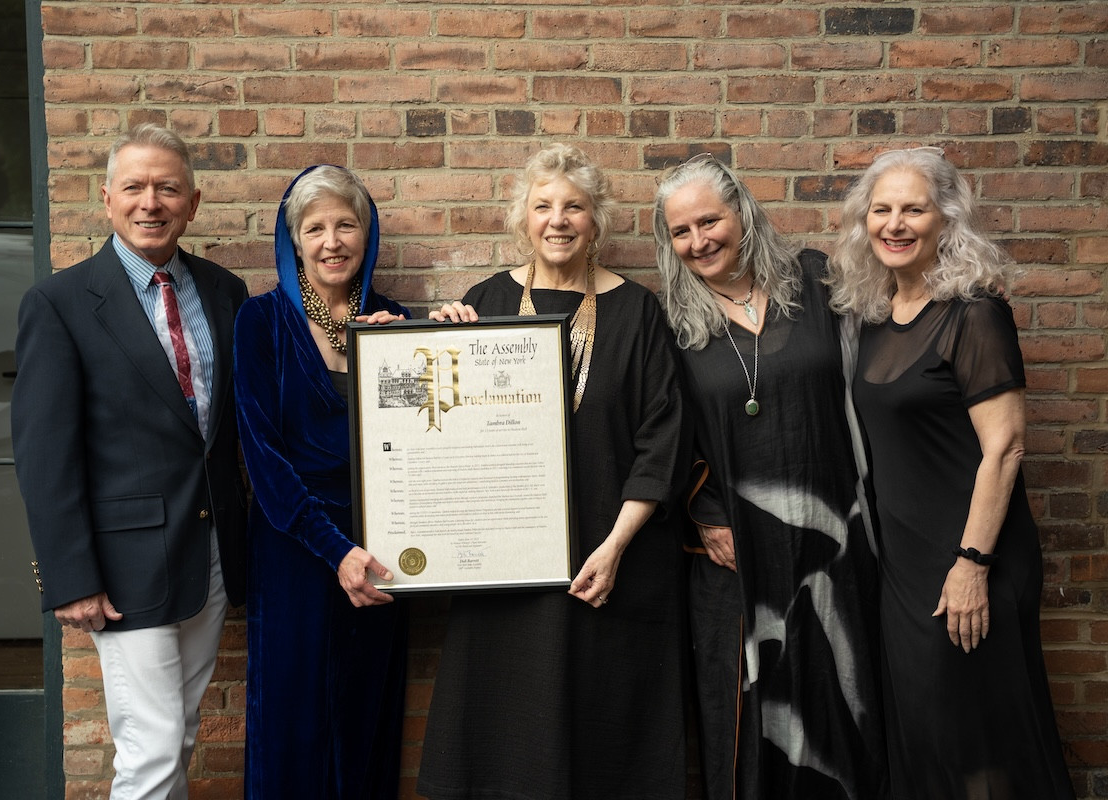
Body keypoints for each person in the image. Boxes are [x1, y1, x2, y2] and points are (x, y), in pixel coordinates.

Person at [416, 144, 688, 799]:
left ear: (597, 222)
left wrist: (617, 546)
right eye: (543, 206)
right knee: (512, 737)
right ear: (523, 219)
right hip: (509, 568)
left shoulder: (637, 313)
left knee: (603, 740)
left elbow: (661, 442)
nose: (558, 220)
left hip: (608, 557)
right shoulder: (485, 301)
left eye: (575, 207)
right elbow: (436, 428)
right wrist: (443, 346)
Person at [827, 147, 1074, 799]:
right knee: (926, 737)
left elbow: (1007, 448)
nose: (895, 223)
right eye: (881, 210)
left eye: (915, 208)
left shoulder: (973, 313)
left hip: (972, 562)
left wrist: (971, 566)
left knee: (976, 744)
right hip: (906, 569)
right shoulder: (874, 318)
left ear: (947, 220)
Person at [12, 123, 248, 799]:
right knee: (150, 746)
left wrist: (361, 333)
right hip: (120, 567)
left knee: (180, 735)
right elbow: (43, 454)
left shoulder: (224, 291)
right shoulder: (59, 304)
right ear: (107, 199)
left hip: (210, 554)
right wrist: (68, 576)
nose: (152, 202)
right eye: (136, 187)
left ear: (193, 203)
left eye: (168, 188)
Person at [654, 153, 886, 800]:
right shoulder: (669, 324)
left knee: (844, 696)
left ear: (742, 212)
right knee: (751, 719)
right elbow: (660, 438)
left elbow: (883, 371)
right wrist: (705, 520)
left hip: (837, 541)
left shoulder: (814, 280)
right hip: (739, 558)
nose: (698, 241)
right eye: (680, 231)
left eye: (709, 221)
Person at [233, 165, 410, 799]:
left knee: (365, 716)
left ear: (368, 235)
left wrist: (409, 352)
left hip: (380, 546)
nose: (332, 240)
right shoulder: (261, 322)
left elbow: (419, 438)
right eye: (315, 228)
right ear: (294, 240)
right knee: (293, 718)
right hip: (296, 546)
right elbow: (263, 459)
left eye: (346, 224)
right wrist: (334, 550)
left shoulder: (395, 320)